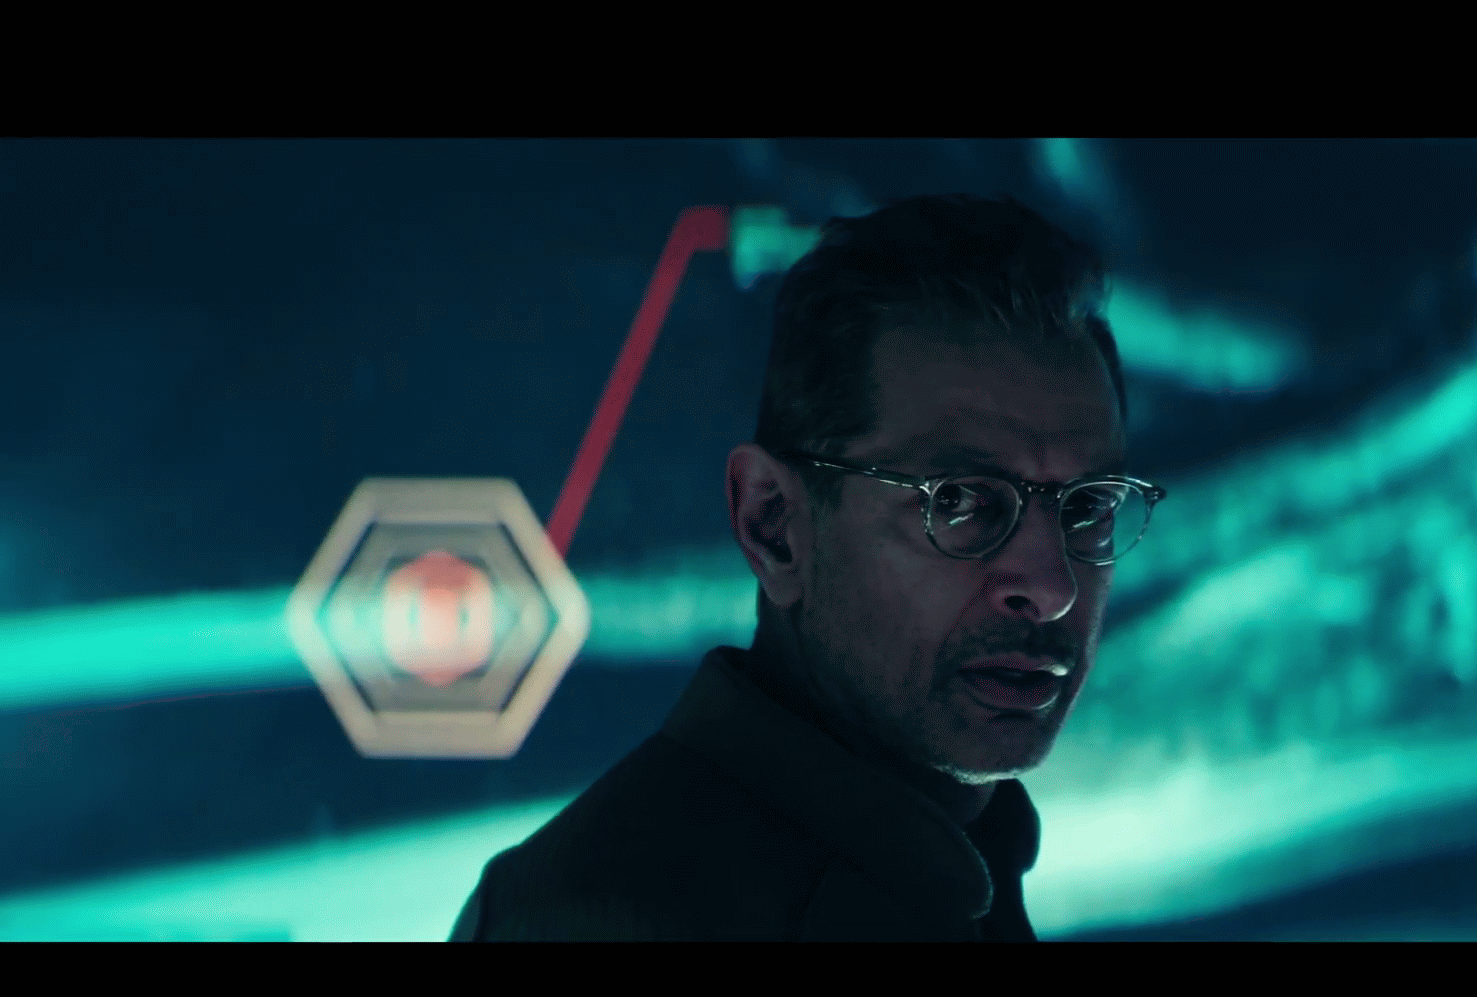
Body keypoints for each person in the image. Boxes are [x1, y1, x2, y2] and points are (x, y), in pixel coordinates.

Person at [450, 193, 1165, 941]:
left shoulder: (969, 862)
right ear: (773, 524)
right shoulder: (599, 918)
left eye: (1089, 507)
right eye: (960, 501)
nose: (1052, 588)